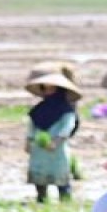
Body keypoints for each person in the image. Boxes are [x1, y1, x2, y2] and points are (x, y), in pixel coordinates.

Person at [25, 72, 81, 203]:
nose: (47, 91)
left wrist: (56, 141)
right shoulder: (38, 109)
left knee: (61, 177)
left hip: (57, 150)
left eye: (51, 88)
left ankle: (66, 202)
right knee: (39, 177)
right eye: (45, 88)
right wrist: (28, 141)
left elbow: (68, 127)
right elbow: (31, 127)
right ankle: (41, 199)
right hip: (39, 149)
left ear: (59, 90)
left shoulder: (67, 110)